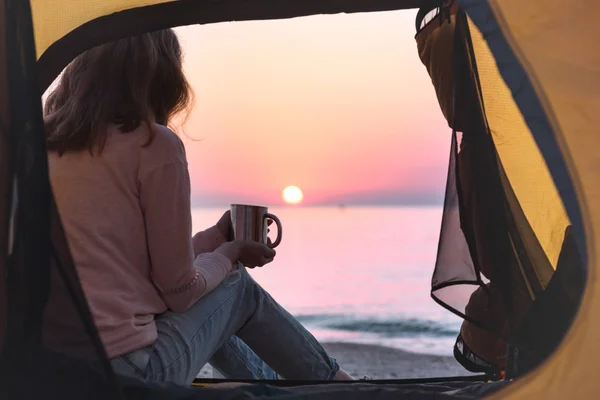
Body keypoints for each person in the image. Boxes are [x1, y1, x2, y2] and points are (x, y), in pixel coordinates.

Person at [44, 28, 353, 386]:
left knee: (215, 288)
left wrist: (212, 242)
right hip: (130, 376)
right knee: (234, 285)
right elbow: (178, 292)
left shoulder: (37, 144)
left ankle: (284, 388)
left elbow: (134, 273)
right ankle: (341, 387)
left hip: (48, 369)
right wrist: (231, 254)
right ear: (160, 76)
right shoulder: (152, 144)